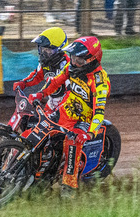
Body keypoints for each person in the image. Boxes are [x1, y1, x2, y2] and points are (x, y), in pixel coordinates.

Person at [28, 36, 110, 198]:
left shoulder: (100, 83)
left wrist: (89, 133)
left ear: (92, 60)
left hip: (85, 119)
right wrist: (40, 93)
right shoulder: (70, 67)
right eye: (72, 57)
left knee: (72, 141)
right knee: (41, 131)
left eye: (78, 60)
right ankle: (40, 173)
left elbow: (99, 113)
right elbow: (55, 81)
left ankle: (69, 183)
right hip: (66, 110)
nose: (73, 62)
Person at [13, 27, 70, 112]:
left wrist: (59, 110)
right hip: (51, 102)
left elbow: (70, 90)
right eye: (43, 49)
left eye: (48, 50)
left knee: (53, 123)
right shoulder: (46, 62)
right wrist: (24, 83)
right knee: (40, 123)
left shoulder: (67, 65)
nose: (44, 53)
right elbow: (37, 76)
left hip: (67, 104)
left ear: (59, 49)